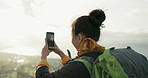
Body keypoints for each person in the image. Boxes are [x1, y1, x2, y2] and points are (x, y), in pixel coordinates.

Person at [36, 9, 106, 78]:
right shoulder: (101, 58)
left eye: (72, 35)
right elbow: (75, 70)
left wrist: (43, 58)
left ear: (79, 37)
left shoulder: (80, 66)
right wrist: (61, 54)